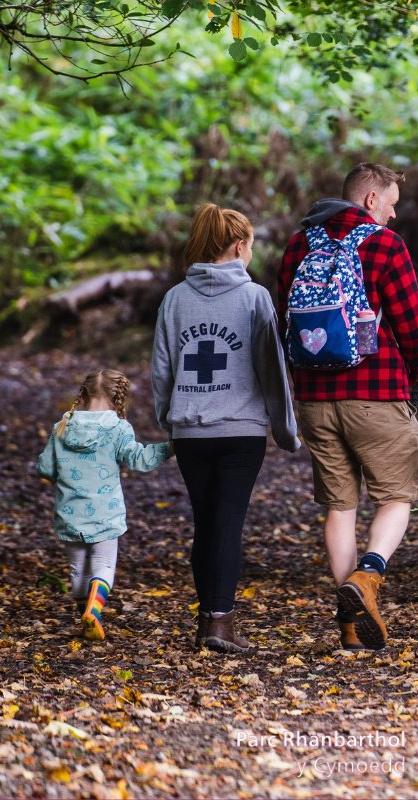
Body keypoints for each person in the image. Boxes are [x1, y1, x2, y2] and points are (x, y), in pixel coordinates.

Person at [274, 163, 418, 653]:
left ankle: (347, 625)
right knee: (398, 494)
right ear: (369, 200)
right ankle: (366, 579)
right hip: (377, 391)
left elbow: (286, 312)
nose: (394, 213)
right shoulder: (385, 245)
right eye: (391, 203)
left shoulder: (301, 244)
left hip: (316, 398)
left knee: (340, 506)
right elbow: (408, 317)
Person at [151, 203, 299, 654]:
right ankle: (220, 624)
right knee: (228, 523)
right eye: (250, 245)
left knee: (206, 522)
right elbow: (272, 369)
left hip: (190, 429)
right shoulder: (254, 297)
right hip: (240, 430)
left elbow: (162, 370)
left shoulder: (175, 298)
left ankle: (206, 620)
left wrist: (169, 420)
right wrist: (285, 428)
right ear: (239, 245)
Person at [36, 369, 173, 642]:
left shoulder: (62, 426)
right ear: (117, 398)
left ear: (83, 394)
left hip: (69, 513)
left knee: (78, 570)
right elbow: (139, 460)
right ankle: (94, 612)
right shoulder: (117, 428)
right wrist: (171, 447)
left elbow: (45, 467)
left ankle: (85, 613)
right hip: (105, 514)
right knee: (103, 565)